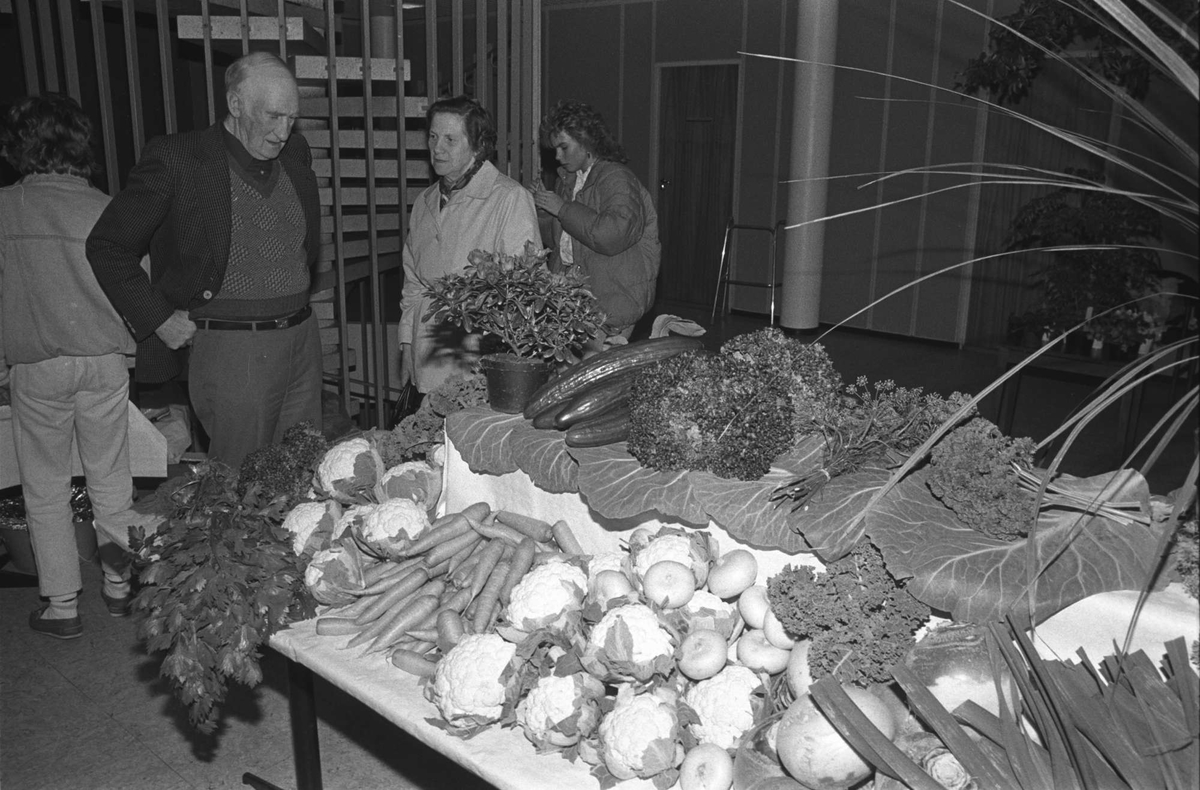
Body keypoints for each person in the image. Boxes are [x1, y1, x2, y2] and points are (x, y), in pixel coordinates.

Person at [87, 51, 322, 469]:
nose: (284, 131)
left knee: (306, 473)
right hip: (234, 349)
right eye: (273, 116)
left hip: (302, 339)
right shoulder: (179, 159)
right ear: (235, 105)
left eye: (291, 118)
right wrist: (158, 317)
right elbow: (108, 245)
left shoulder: (296, 153)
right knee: (240, 484)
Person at [0, 94, 139, 637]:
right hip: (104, 361)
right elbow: (134, 286)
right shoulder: (109, 207)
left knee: (45, 488)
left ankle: (61, 605)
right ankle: (119, 586)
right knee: (112, 482)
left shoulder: (7, 207)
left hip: (38, 366)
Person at [399, 95, 541, 393]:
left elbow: (524, 292)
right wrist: (407, 344)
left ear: (478, 146)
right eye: (433, 136)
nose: (437, 148)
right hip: (426, 355)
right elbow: (413, 283)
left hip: (476, 363)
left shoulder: (508, 198)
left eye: (450, 139)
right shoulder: (423, 203)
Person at [533, 100, 661, 344]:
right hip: (577, 300)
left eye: (564, 147)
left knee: (598, 376)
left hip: (612, 302)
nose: (558, 156)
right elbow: (562, 245)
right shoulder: (570, 181)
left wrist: (562, 209)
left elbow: (613, 234)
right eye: (555, 149)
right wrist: (544, 211)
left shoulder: (617, 178)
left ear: (586, 141)